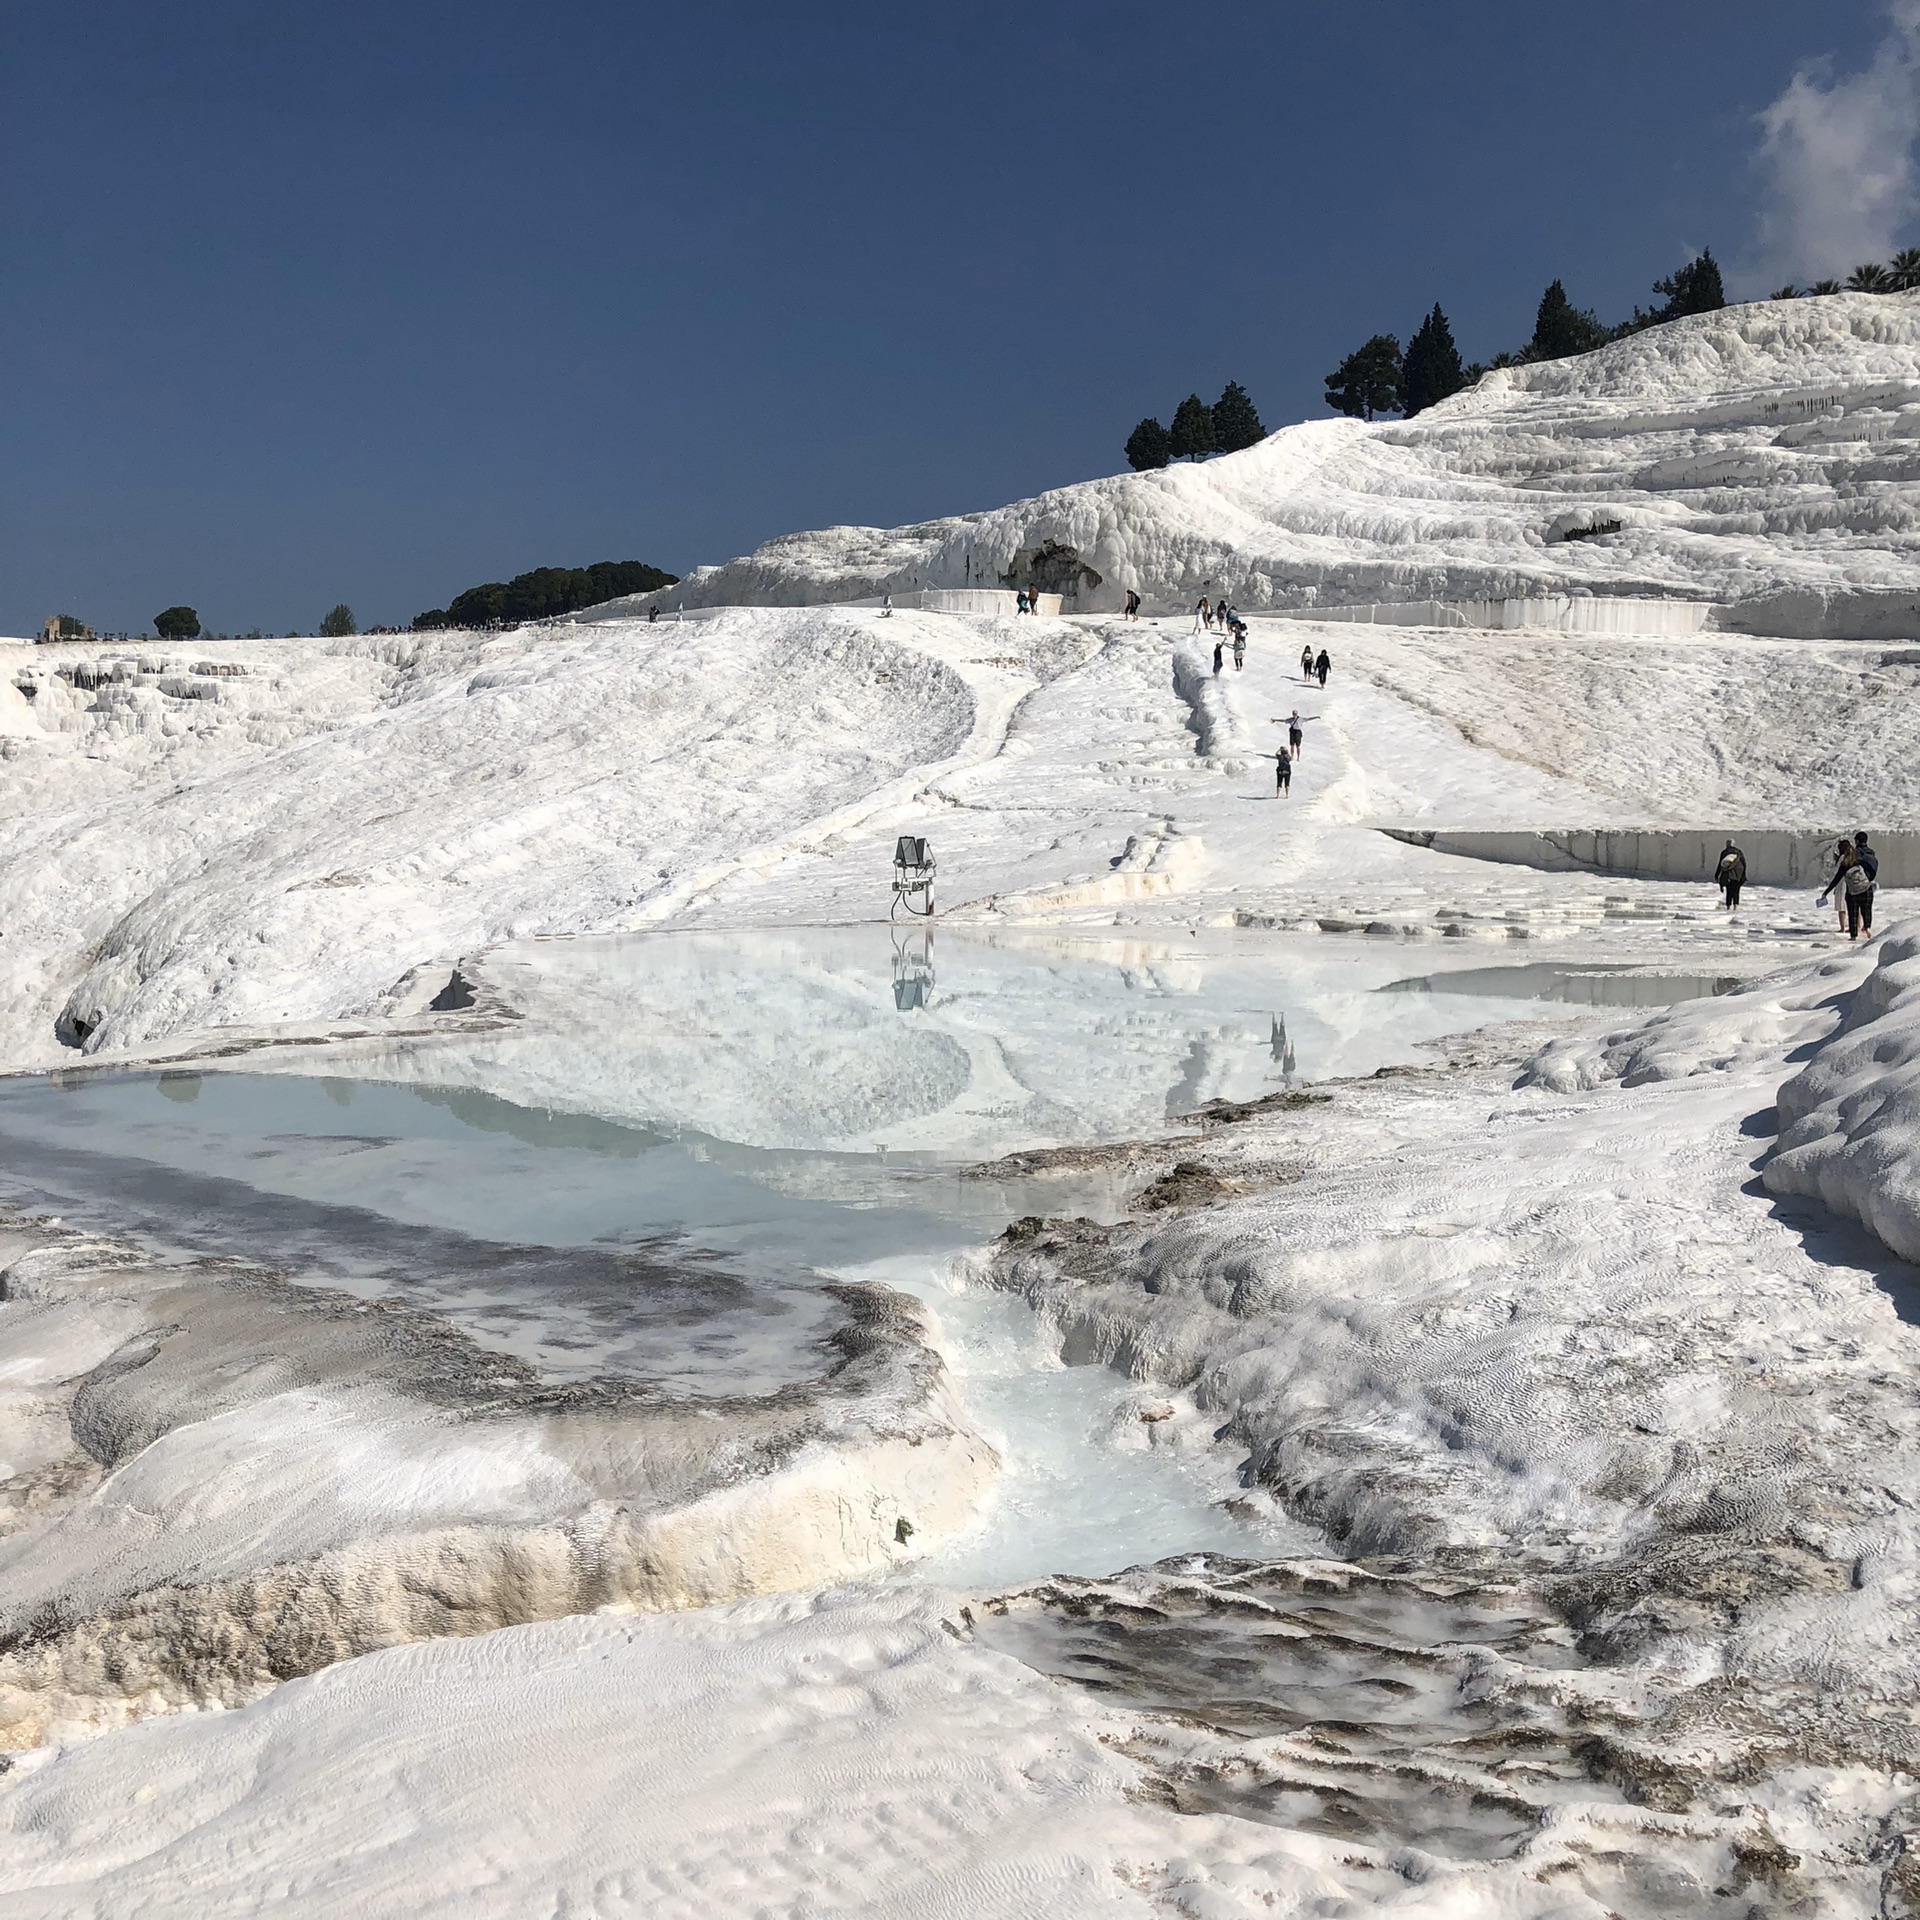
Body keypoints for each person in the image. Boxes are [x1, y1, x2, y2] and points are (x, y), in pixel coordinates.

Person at [1824, 837, 1854, 932]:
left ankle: (1842, 928)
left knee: (1841, 907)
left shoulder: (1842, 858)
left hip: (1841, 885)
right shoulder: (1853, 857)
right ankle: (1856, 926)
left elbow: (1837, 873)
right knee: (1855, 907)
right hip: (1853, 884)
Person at [1714, 839, 1747, 910]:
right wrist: (1743, 874)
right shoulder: (1739, 852)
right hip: (1738, 873)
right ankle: (1735, 905)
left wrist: (1717, 874)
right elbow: (1744, 863)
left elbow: (1720, 864)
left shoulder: (1724, 852)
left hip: (1728, 874)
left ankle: (1728, 906)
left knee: (1729, 890)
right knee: (1736, 890)